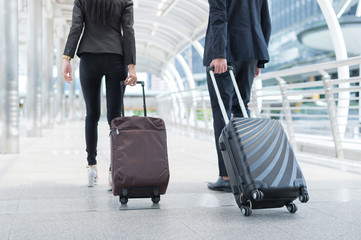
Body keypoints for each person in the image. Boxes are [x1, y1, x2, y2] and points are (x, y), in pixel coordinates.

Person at [62, 0, 137, 188]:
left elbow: (76, 27)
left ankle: (92, 167)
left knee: (92, 114)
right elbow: (128, 31)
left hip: (89, 58)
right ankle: (114, 171)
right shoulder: (124, 2)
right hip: (115, 57)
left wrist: (67, 58)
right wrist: (132, 66)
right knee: (115, 117)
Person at [203, 0, 271, 191]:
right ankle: (246, 172)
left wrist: (218, 53)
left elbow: (219, 16)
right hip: (251, 51)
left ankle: (226, 175)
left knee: (221, 111)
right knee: (241, 107)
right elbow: (265, 19)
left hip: (226, 53)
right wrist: (259, 61)